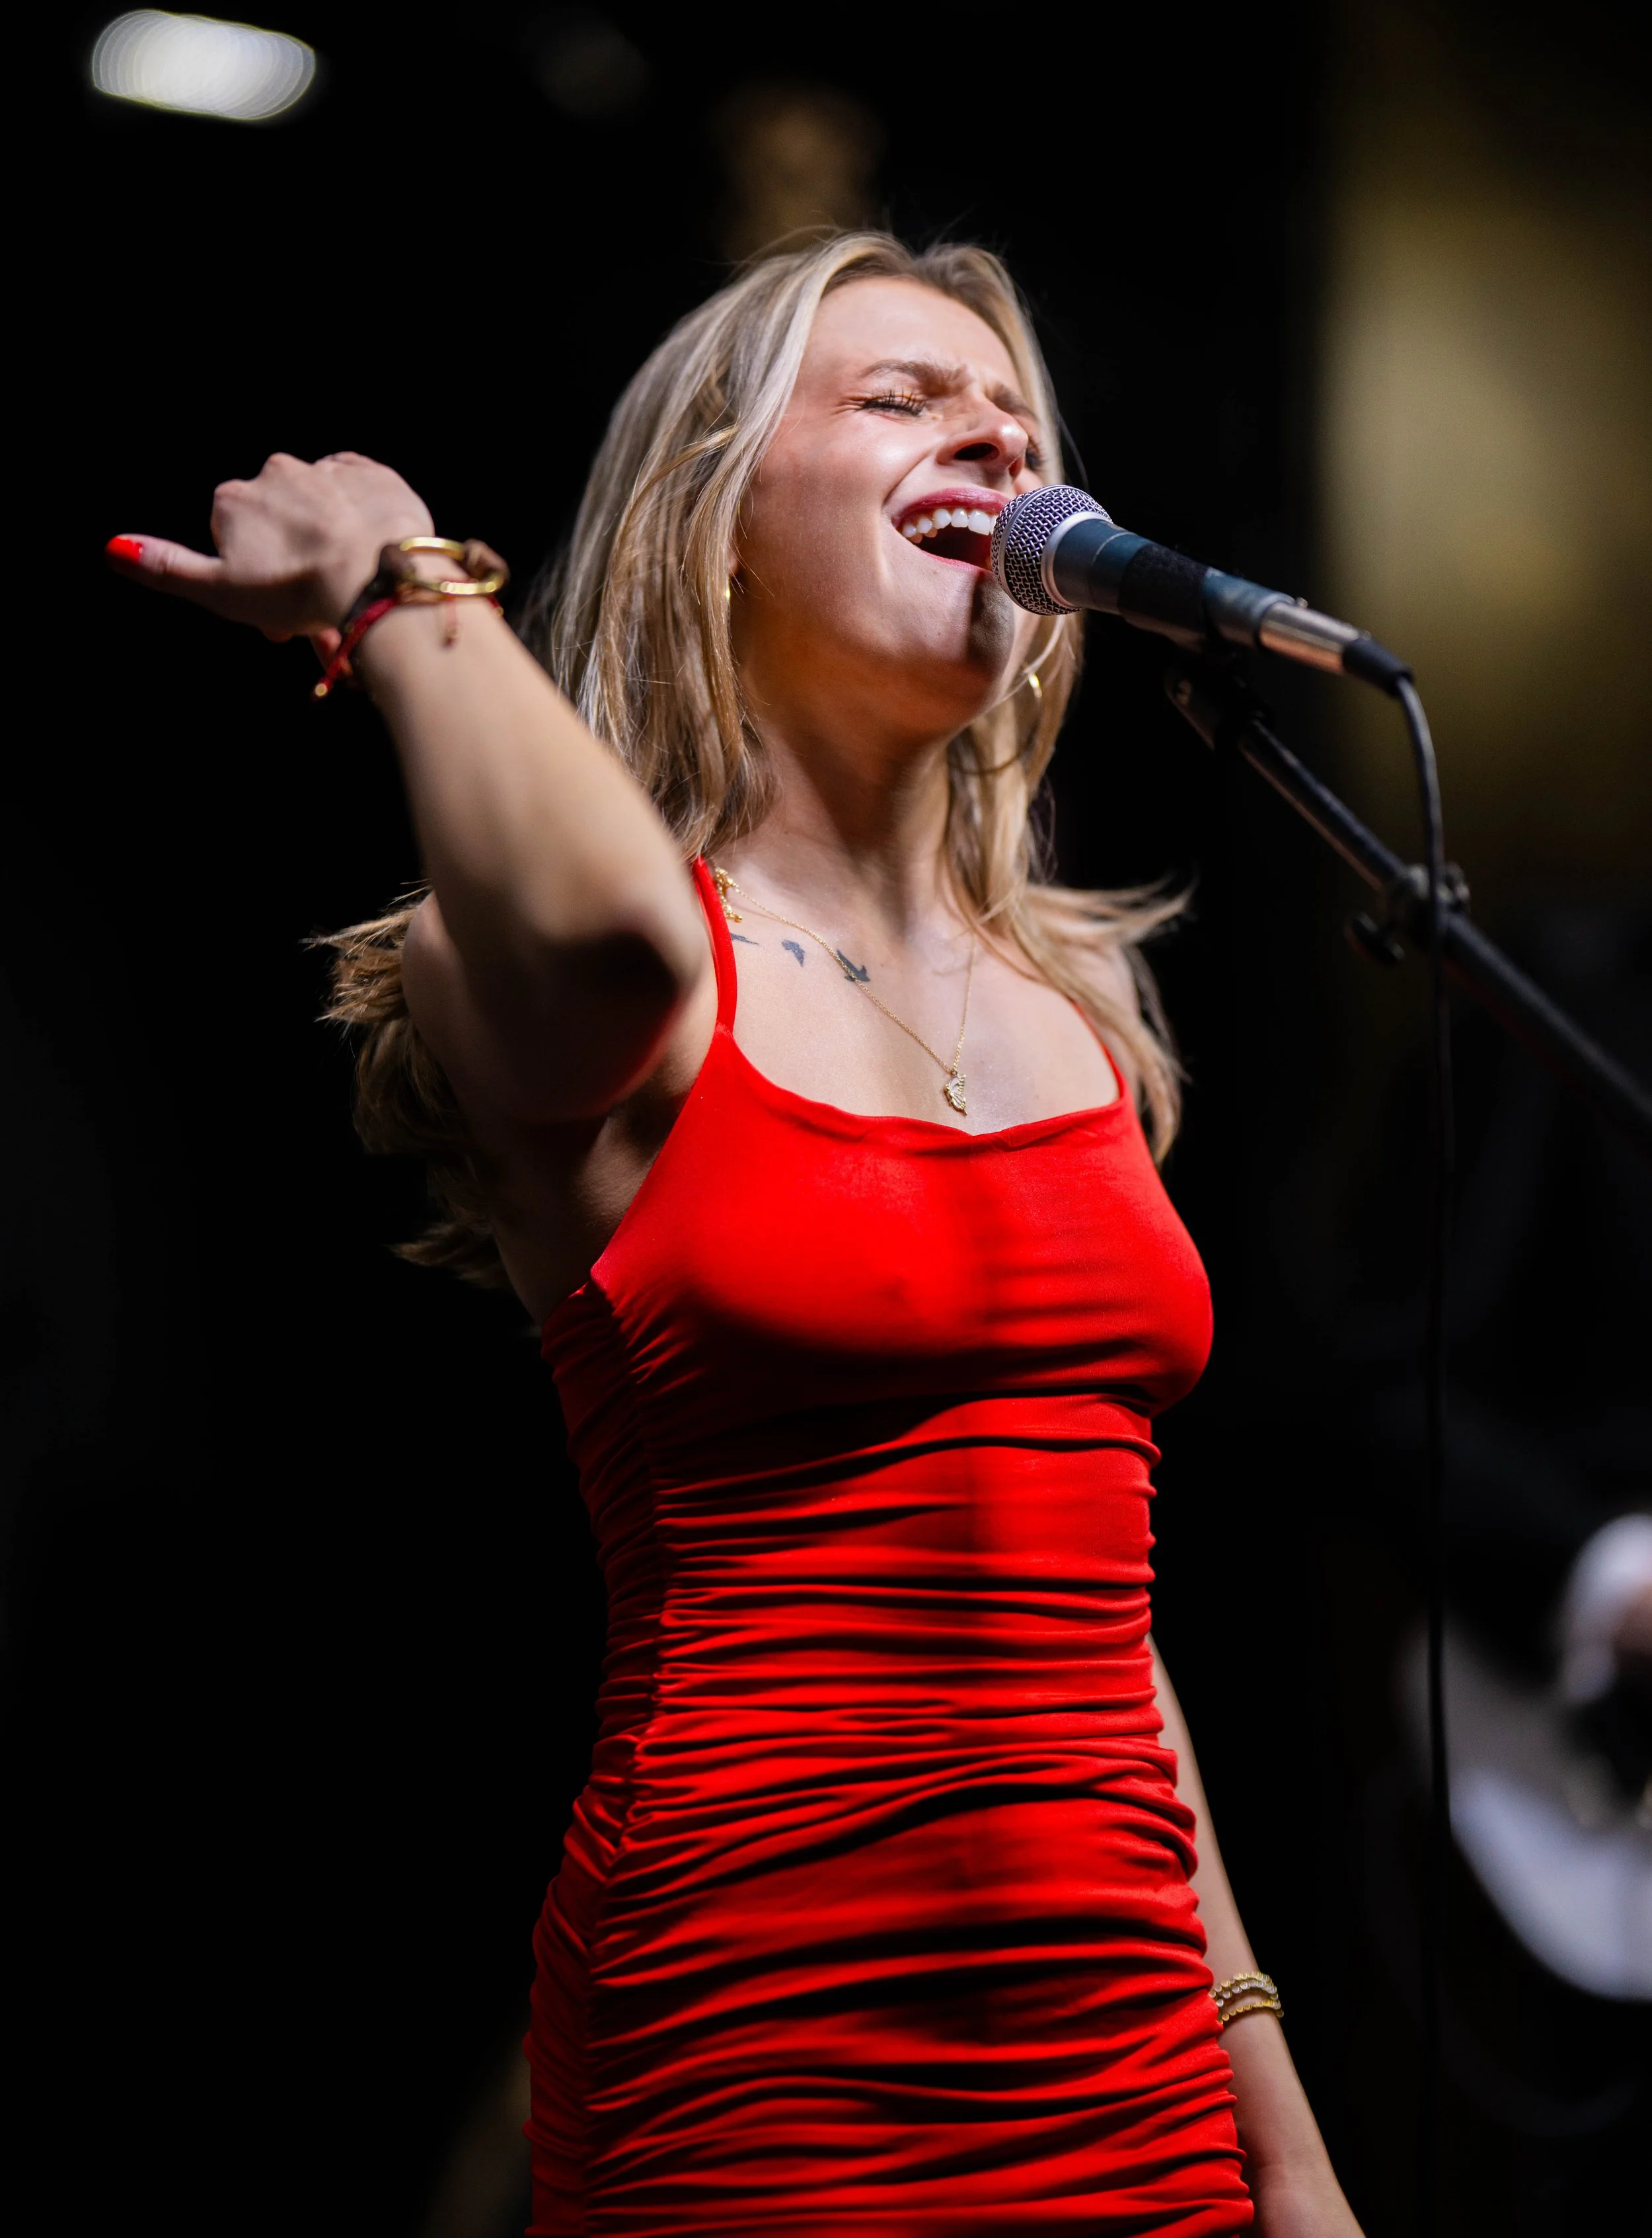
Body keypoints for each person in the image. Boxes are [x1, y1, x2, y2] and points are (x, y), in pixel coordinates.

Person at [108, 234, 1363, 2237]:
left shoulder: (1076, 1024)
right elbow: (607, 922)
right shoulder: (593, 967)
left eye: (1010, 415)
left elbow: (1100, 1634)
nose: (989, 430)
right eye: (893, 398)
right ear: (712, 525)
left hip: (1127, 2077)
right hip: (765, 2056)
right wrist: (398, 578)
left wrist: (1281, 2146)